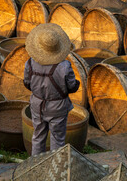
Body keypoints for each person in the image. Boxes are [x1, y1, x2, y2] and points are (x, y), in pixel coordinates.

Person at [23, 23, 80, 156]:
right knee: (58, 139)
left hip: (37, 104)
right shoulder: (64, 66)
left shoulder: (30, 63)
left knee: (38, 136)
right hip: (58, 107)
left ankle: (35, 165)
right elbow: (72, 86)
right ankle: (54, 167)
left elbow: (27, 83)